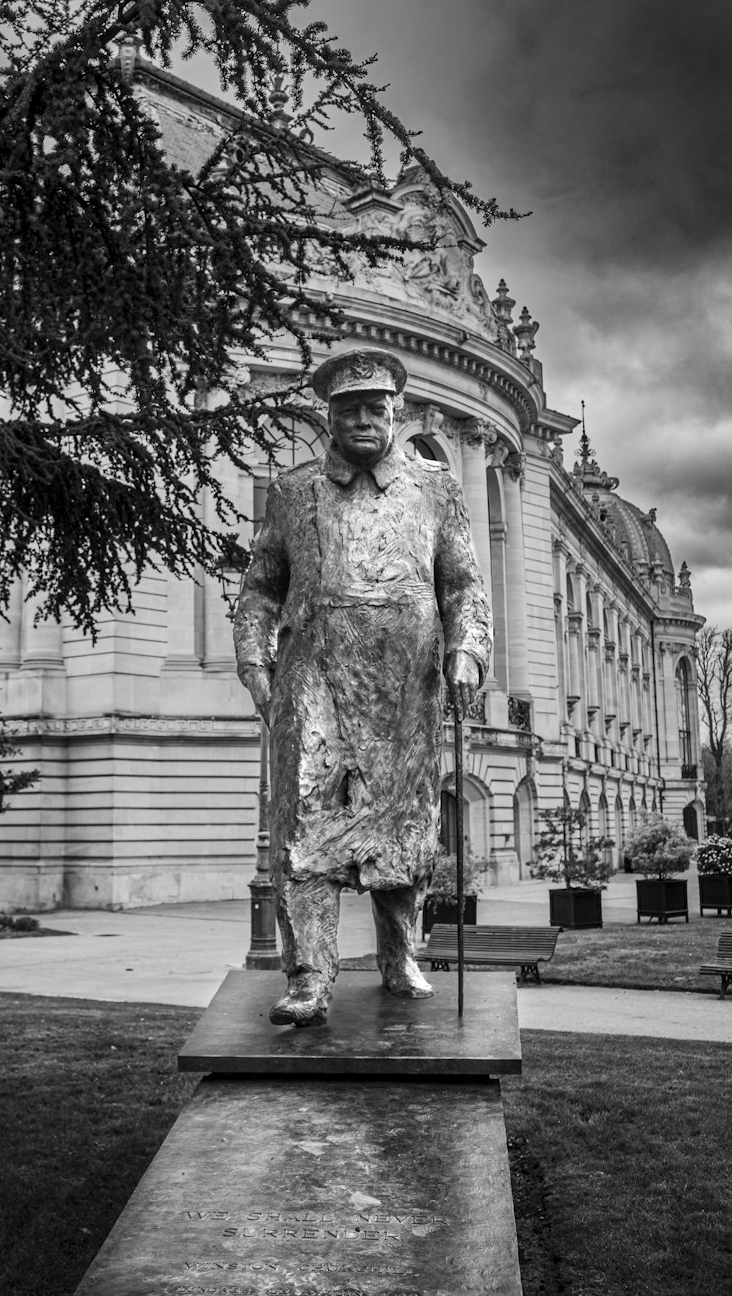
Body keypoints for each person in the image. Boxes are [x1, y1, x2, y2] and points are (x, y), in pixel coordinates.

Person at [233, 347, 492, 1026]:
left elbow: (464, 586)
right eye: (349, 409)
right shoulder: (294, 492)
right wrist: (256, 668)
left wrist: (467, 654)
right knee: (305, 828)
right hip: (312, 677)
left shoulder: (436, 488)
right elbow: (260, 591)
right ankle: (310, 976)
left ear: (396, 414)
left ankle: (398, 955)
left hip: (407, 687)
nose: (363, 420)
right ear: (330, 416)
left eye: (376, 407)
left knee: (402, 830)